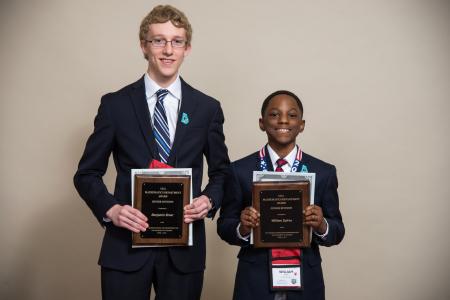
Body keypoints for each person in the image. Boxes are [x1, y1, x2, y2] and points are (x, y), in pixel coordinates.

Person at [74, 5, 229, 300]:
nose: (168, 50)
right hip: (124, 249)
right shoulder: (115, 105)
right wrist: (111, 210)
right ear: (144, 46)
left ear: (187, 48)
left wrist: (209, 200)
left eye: (177, 41)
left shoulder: (207, 108)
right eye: (159, 40)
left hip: (184, 253)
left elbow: (222, 172)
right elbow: (86, 174)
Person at [217, 90, 344, 300]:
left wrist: (322, 224)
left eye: (292, 115)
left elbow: (337, 230)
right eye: (274, 114)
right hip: (255, 278)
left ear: (301, 124)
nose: (283, 120)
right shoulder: (239, 170)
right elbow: (224, 225)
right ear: (262, 122)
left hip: (305, 277)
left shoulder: (323, 172)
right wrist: (243, 227)